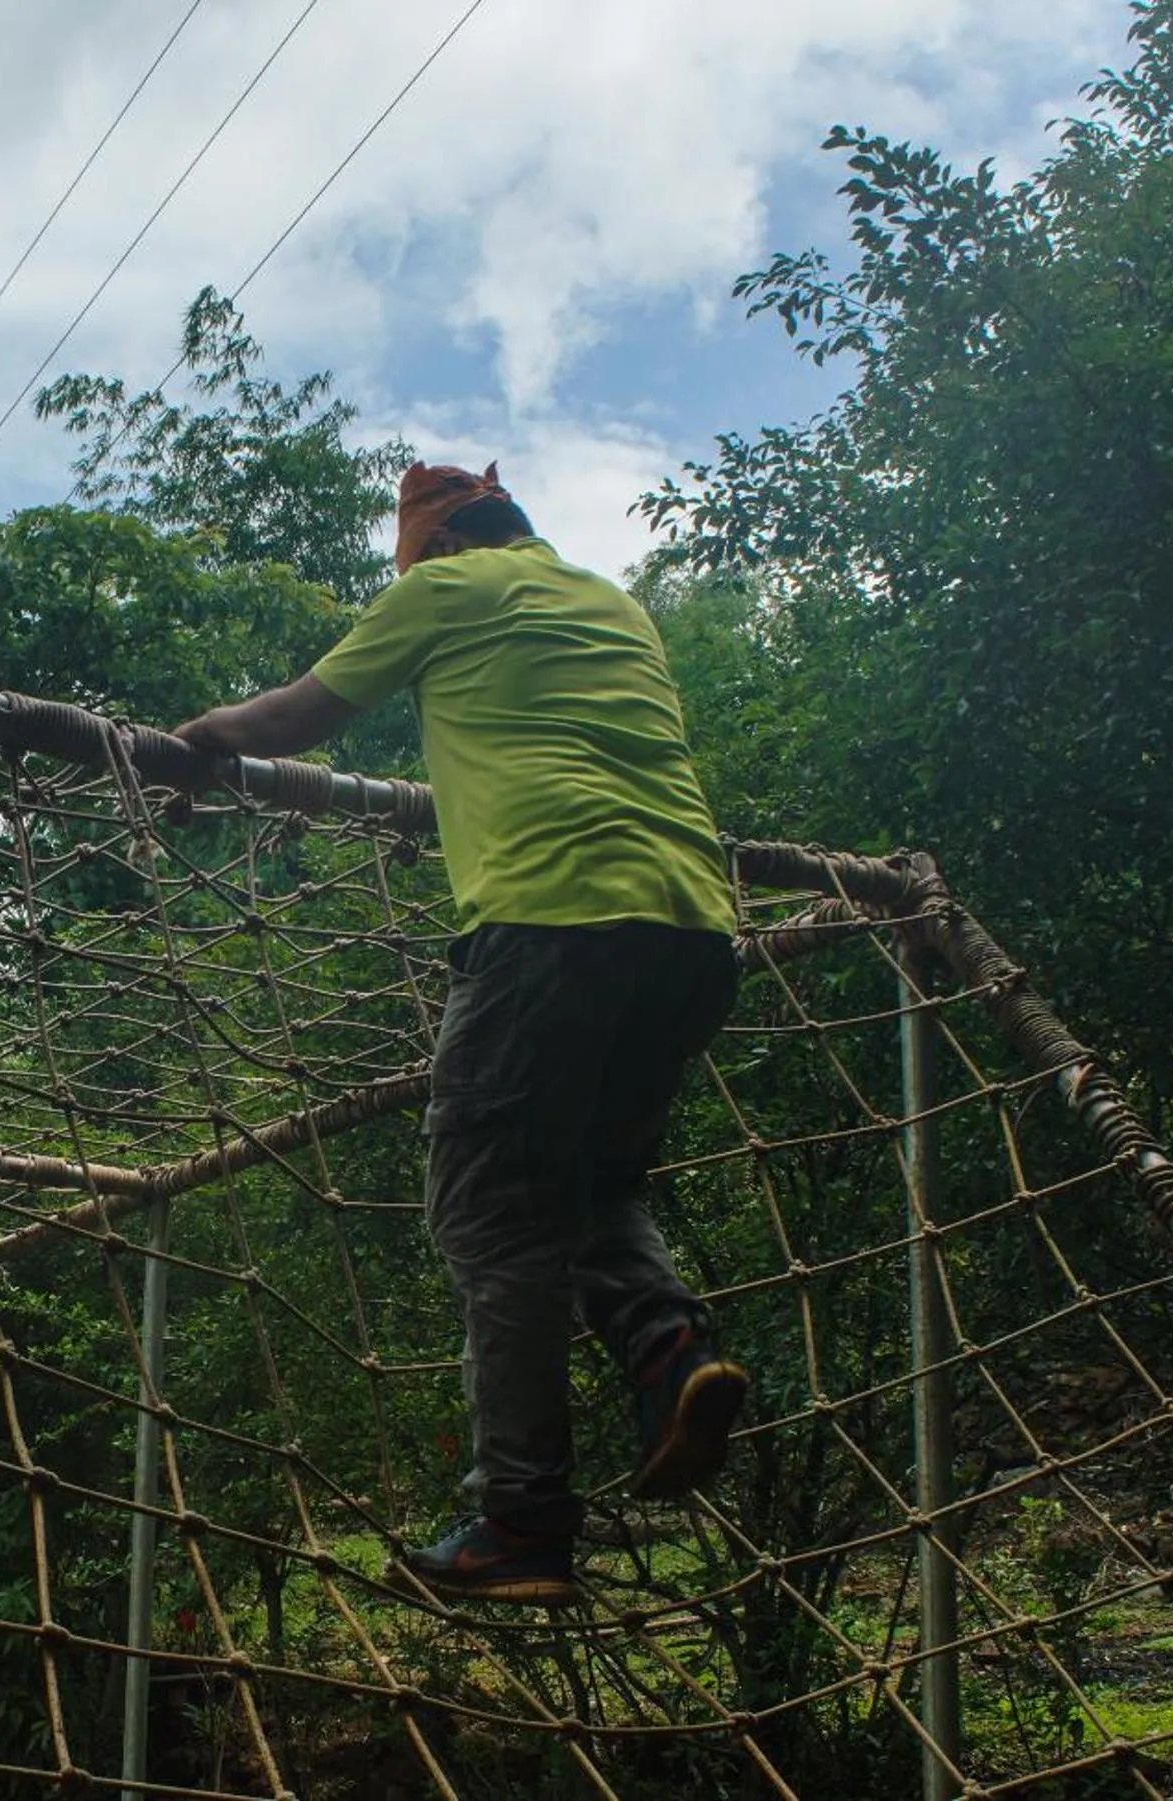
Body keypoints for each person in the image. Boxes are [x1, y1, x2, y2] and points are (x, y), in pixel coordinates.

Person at [170, 462, 746, 1606]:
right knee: (595, 1187)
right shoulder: (610, 603)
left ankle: (519, 1518)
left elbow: (291, 719)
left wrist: (194, 739)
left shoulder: (442, 590)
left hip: (549, 922)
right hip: (692, 931)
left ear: (430, 548)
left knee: (488, 1213)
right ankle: (669, 1350)